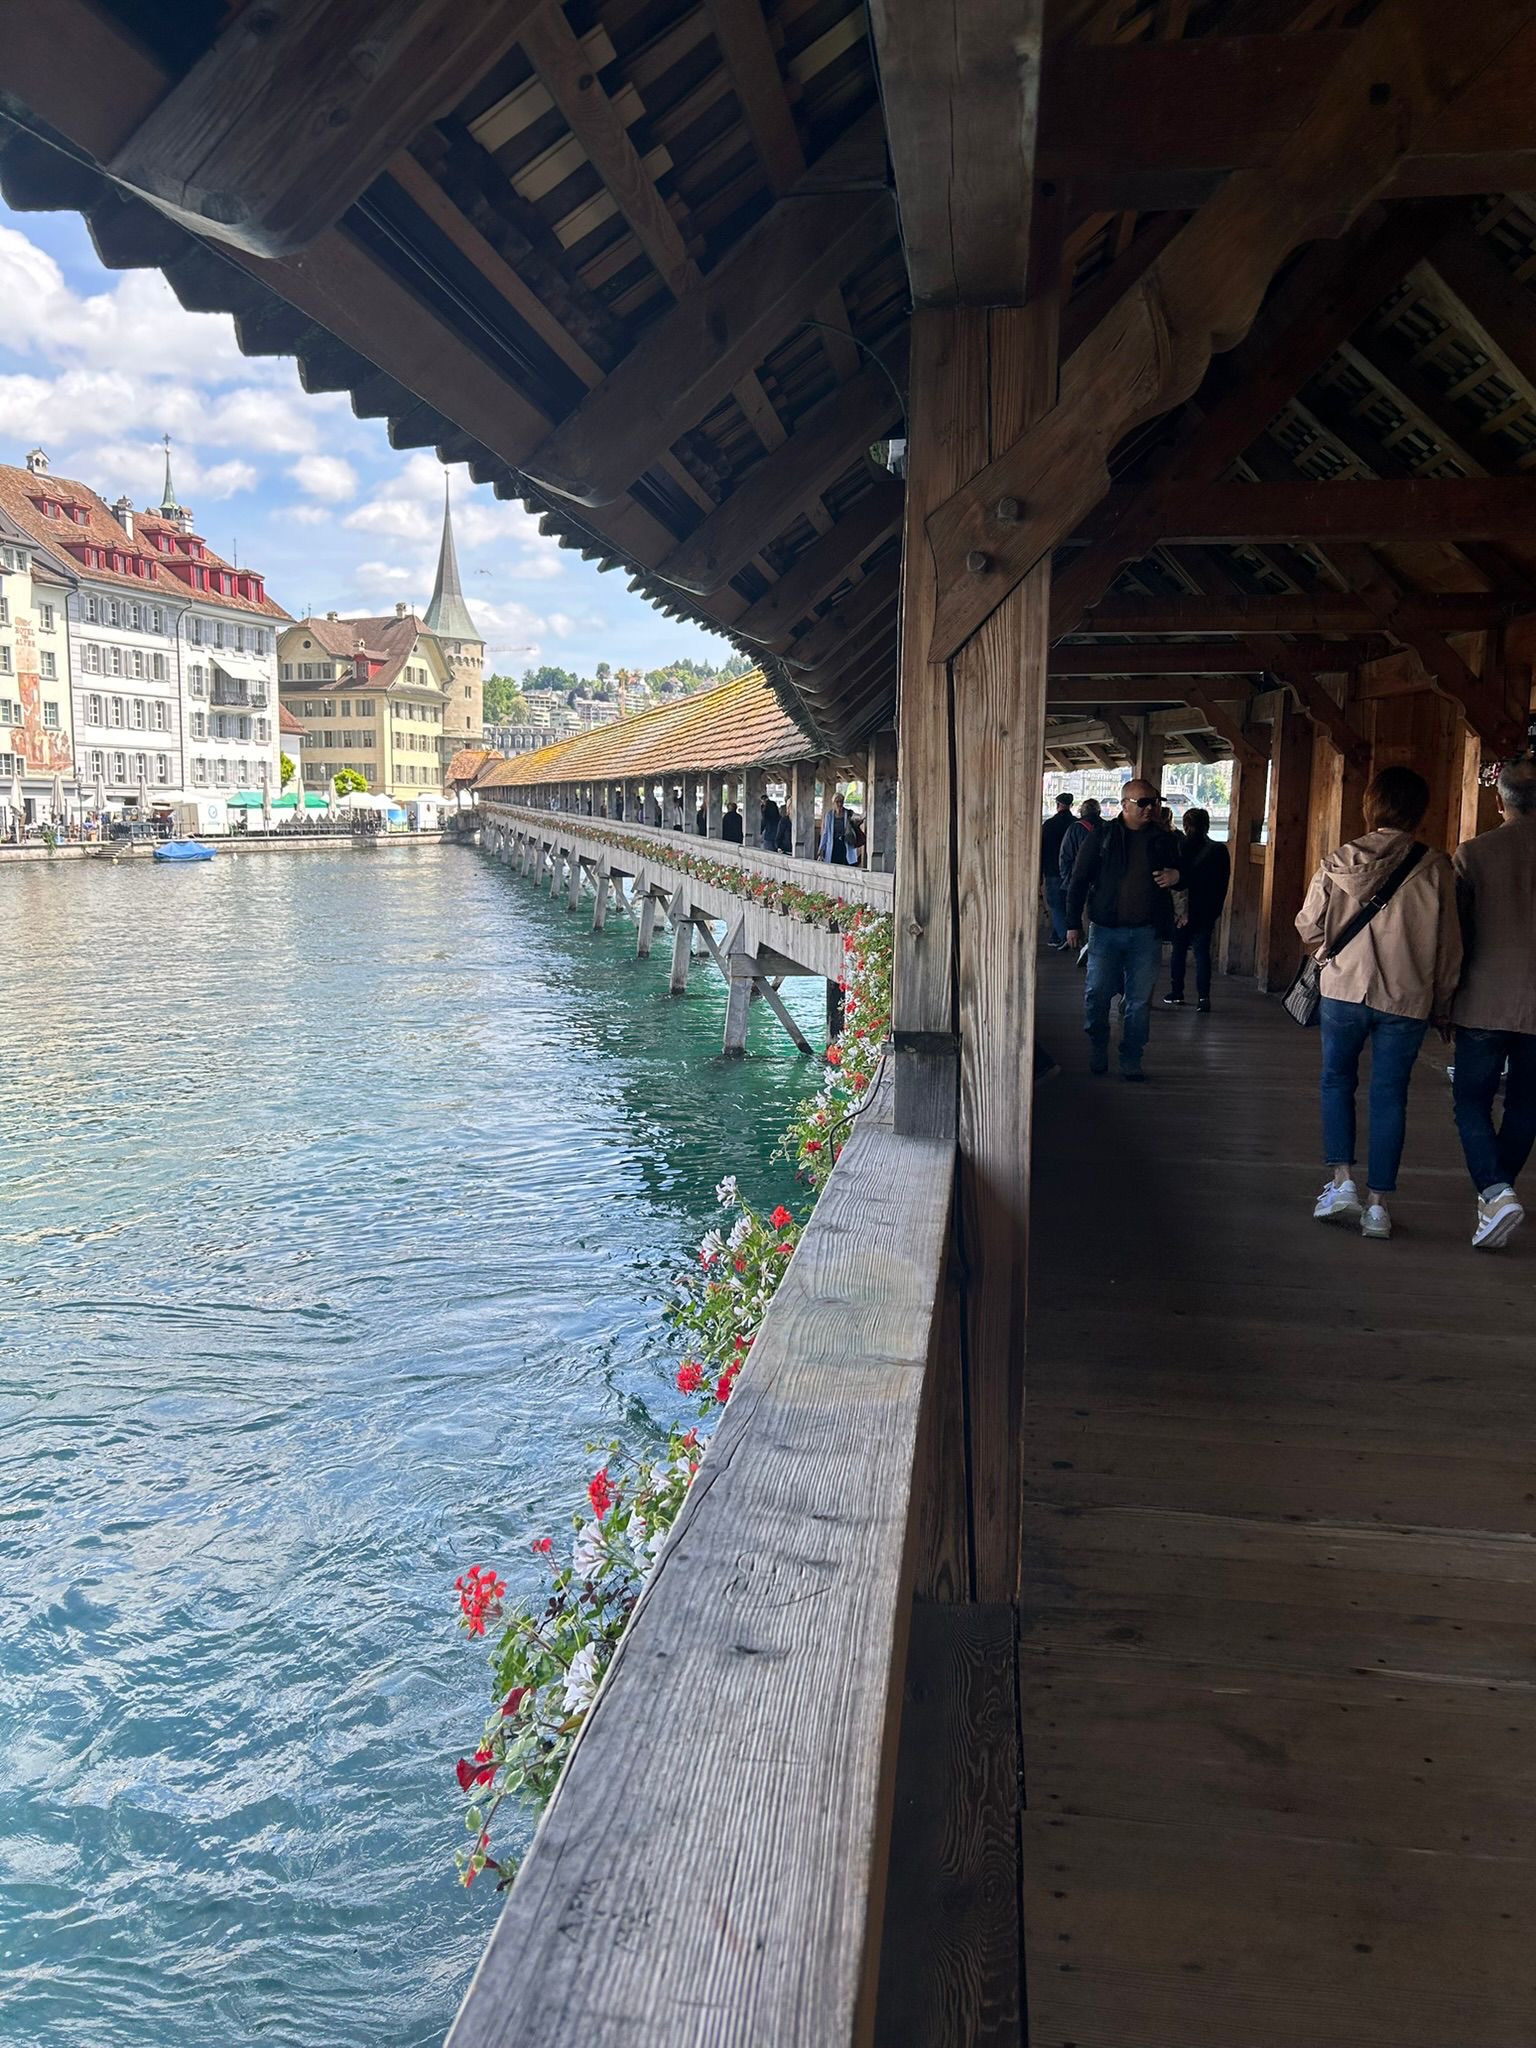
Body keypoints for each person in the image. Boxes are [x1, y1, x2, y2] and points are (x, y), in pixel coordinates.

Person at [1295, 766, 1461, 1242]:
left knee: (1336, 1081)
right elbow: (1450, 946)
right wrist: (1444, 999)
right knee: (1390, 1096)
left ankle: (1341, 1181)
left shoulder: (1339, 859)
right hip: (1407, 998)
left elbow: (1307, 924)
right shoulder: (1435, 867)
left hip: (1343, 991)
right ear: (1419, 810)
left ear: (1371, 805)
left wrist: (1324, 952)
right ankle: (1378, 1207)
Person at [1449, 755, 1536, 1250]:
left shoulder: (1474, 854)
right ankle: (1497, 1192)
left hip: (1484, 997)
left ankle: (1495, 1190)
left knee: (1470, 1102)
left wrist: (1444, 996)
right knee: (1527, 1105)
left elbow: (1456, 936)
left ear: (1500, 798)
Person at [1065, 779, 1183, 1080]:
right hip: (1105, 930)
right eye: (1143, 802)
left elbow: (1188, 874)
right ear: (1125, 805)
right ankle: (1098, 1045)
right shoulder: (1102, 836)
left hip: (1146, 932)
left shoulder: (1164, 839)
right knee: (1097, 993)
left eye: (1154, 802)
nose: (1150, 808)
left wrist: (1177, 875)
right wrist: (1071, 924)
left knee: (1139, 1000)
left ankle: (1132, 1057)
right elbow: (1078, 879)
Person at [1163, 808, 1231, 1012]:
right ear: (1207, 825)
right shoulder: (1219, 850)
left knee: (1179, 950)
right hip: (1206, 909)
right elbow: (1222, 884)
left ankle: (1177, 992)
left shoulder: (1179, 847)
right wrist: (1216, 909)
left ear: (1185, 825)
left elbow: (1173, 882)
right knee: (1202, 953)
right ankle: (1203, 997)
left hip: (1183, 910)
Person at [1040, 793, 1076, 948]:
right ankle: (1056, 936)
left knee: (1055, 905)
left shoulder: (1048, 824)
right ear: (1071, 805)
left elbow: (1041, 849)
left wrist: (1039, 874)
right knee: (1067, 905)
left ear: (1057, 804)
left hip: (1052, 869)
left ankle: (1064, 938)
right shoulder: (1076, 824)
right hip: (1072, 871)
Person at [1057, 797, 1101, 900]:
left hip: (1078, 880)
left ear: (1082, 812)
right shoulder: (1107, 827)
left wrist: (1068, 879)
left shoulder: (1075, 828)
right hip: (1100, 882)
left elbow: (1065, 856)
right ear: (1098, 812)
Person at [818, 791, 848, 864]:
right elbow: (825, 833)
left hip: (844, 844)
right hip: (833, 844)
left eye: (841, 801)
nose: (839, 804)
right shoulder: (829, 815)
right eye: (837, 802)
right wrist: (821, 848)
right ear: (833, 803)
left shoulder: (847, 813)